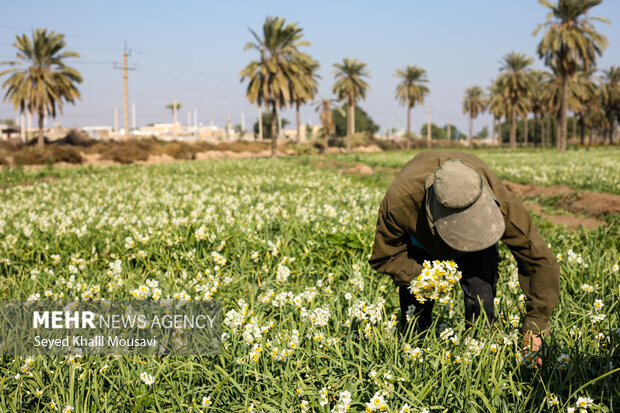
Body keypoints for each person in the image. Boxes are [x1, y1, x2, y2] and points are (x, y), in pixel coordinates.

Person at [368, 150, 560, 361]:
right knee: (415, 319)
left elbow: (537, 256)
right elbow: (386, 255)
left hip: (482, 240)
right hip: (422, 245)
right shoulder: (400, 201)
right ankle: (413, 361)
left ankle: (481, 359)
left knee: (481, 302)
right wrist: (422, 276)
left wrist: (536, 324)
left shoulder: (498, 198)